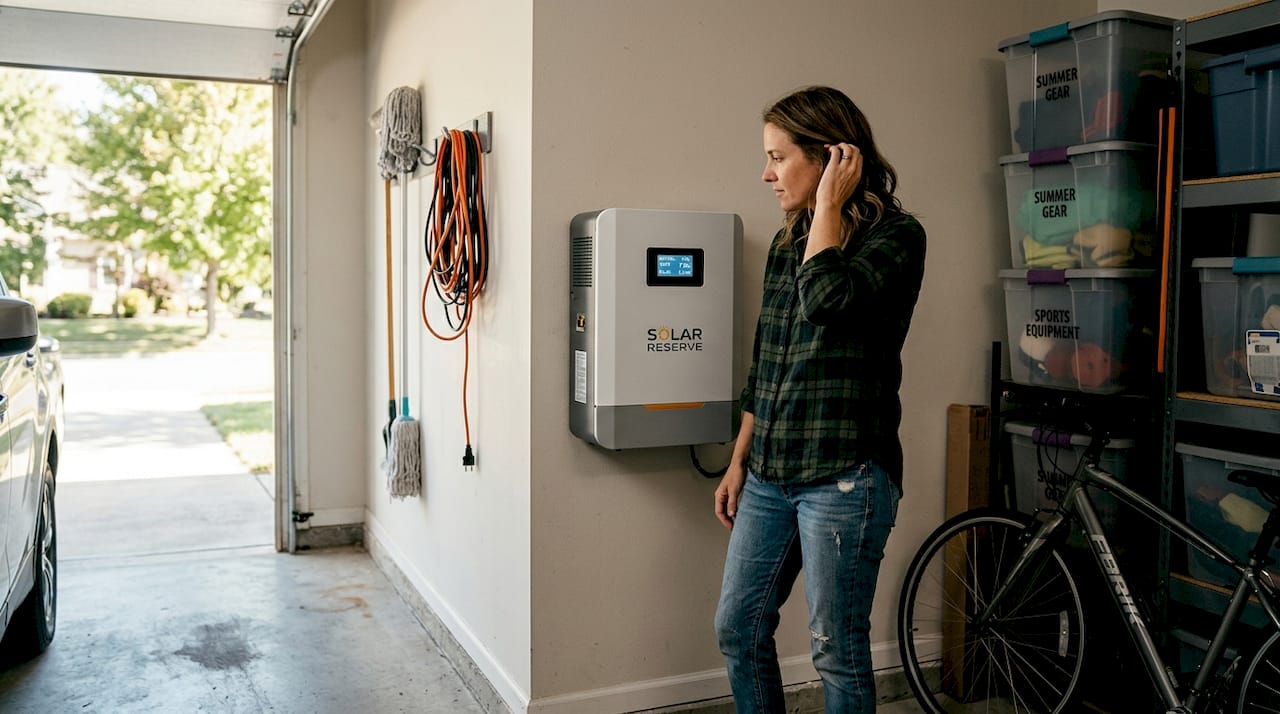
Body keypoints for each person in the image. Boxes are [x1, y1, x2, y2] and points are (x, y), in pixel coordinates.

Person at [713, 85, 926, 713]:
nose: (766, 173)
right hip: (771, 473)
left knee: (837, 650)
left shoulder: (898, 236)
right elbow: (767, 359)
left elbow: (826, 300)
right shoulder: (787, 242)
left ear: (832, 156)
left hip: (845, 476)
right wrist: (738, 458)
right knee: (738, 627)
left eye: (779, 157)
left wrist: (830, 203)